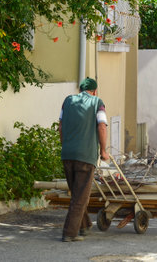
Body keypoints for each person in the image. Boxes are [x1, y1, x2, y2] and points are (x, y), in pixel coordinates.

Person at [59, 77, 109, 242]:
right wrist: (103, 150)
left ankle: (84, 225)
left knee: (77, 193)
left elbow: (60, 126)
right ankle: (69, 233)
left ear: (80, 90)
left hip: (67, 154)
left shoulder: (67, 101)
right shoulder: (97, 102)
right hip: (85, 156)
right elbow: (101, 125)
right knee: (81, 197)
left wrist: (65, 145)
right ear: (94, 91)